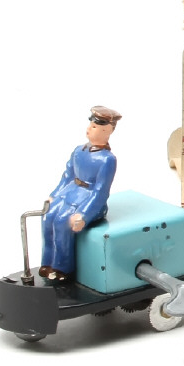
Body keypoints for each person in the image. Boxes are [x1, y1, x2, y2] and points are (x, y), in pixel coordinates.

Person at [40, 106, 122, 282]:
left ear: (107, 131)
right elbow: (67, 176)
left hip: (89, 200)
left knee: (62, 221)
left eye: (95, 126)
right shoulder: (79, 150)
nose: (89, 129)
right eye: (90, 125)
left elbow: (101, 191)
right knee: (48, 216)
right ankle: (47, 262)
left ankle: (63, 268)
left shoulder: (107, 159)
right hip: (70, 192)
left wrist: (84, 215)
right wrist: (54, 195)